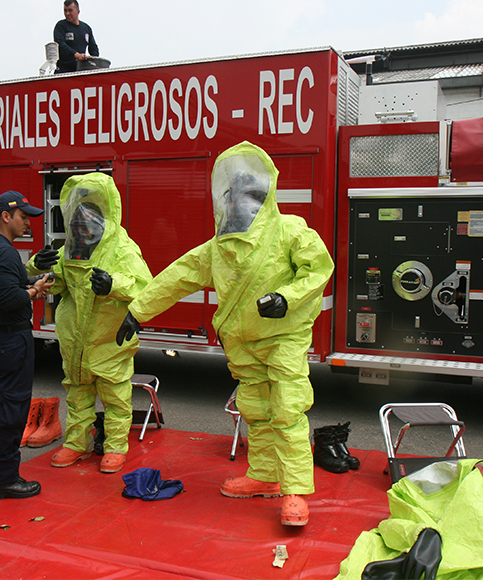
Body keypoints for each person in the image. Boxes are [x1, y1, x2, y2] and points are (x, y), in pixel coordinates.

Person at [116, 142, 335, 526]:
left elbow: (318, 270)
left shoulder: (290, 231)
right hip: (244, 345)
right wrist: (137, 311)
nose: (240, 204)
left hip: (283, 340)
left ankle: (296, 491)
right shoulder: (219, 248)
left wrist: (287, 297)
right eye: (233, 195)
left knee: (286, 410)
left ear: (264, 197)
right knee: (256, 410)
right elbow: (176, 278)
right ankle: (265, 475)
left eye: (249, 195)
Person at [27, 173, 152, 474]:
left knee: (116, 398)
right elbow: (54, 283)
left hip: (109, 340)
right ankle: (76, 445)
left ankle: (115, 448)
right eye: (78, 221)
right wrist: (37, 264)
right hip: (75, 344)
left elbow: (145, 286)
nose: (82, 227)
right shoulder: (72, 247)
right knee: (78, 395)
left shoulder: (121, 248)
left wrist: (113, 284)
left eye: (87, 221)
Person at [0, 190, 55, 500]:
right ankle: (4, 478)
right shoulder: (4, 252)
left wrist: (30, 284)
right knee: (11, 409)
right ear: (6, 216)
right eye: (23, 217)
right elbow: (7, 298)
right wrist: (34, 292)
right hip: (10, 340)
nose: (27, 223)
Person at [54, 0, 99, 74]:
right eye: (65, 10)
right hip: (63, 72)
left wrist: (95, 62)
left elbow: (93, 48)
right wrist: (76, 55)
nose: (67, 13)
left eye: (70, 10)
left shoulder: (86, 28)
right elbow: (60, 44)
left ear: (78, 11)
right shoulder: (61, 26)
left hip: (80, 71)